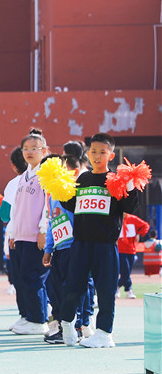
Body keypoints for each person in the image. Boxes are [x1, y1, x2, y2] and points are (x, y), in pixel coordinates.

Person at [57, 132, 141, 348]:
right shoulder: (83, 178)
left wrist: (130, 187)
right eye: (93, 151)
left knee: (105, 290)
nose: (96, 156)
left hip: (106, 245)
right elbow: (70, 204)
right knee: (73, 286)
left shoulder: (115, 180)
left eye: (102, 152)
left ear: (111, 155)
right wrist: (60, 187)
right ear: (88, 153)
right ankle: (67, 323)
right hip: (81, 243)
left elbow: (129, 207)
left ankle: (104, 333)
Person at [41, 153, 93, 343]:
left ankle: (78, 326)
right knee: (57, 289)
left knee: (74, 287)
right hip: (59, 248)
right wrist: (48, 248)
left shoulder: (73, 190)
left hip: (74, 247)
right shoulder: (51, 196)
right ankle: (66, 326)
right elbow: (52, 222)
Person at [6, 128, 50, 336]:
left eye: (34, 148)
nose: (29, 152)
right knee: (23, 278)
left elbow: (48, 206)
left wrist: (43, 230)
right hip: (22, 235)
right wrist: (13, 232)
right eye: (26, 149)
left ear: (44, 151)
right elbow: (15, 208)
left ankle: (39, 320)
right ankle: (30, 316)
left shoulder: (45, 175)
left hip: (35, 236)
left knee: (34, 278)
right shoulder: (24, 176)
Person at [0, 147, 28, 295]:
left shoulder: (13, 184)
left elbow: (4, 215)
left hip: (18, 236)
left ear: (13, 165)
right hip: (41, 235)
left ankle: (30, 309)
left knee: (21, 280)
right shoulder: (43, 180)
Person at [116, 213, 150, 299]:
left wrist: (139, 233)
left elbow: (145, 225)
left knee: (127, 272)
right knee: (125, 270)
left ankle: (118, 287)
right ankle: (128, 290)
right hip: (120, 249)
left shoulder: (133, 219)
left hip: (131, 249)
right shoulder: (116, 218)